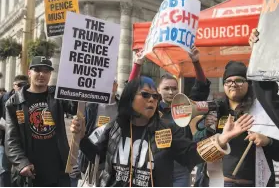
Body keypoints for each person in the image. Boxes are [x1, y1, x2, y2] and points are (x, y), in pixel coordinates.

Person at [71, 76, 254, 187]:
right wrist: (81, 138)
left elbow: (191, 155)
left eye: (155, 96)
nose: (152, 100)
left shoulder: (166, 130)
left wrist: (221, 139)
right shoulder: (113, 127)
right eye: (145, 95)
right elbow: (96, 155)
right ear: (129, 99)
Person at [194, 60, 279, 186]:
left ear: (248, 84)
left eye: (239, 80)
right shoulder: (214, 110)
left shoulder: (262, 111)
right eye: (228, 81)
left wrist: (267, 141)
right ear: (224, 85)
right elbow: (198, 150)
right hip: (219, 183)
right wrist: (207, 130)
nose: (233, 84)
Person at [4, 56, 77, 187]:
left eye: (46, 71)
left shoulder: (57, 96)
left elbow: (76, 107)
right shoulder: (14, 103)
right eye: (37, 70)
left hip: (58, 171)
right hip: (30, 173)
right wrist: (22, 164)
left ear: (50, 74)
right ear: (29, 72)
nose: (41, 74)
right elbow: (11, 140)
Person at [156, 46, 211, 187]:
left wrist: (196, 62)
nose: (170, 92)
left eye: (174, 88)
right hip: (157, 166)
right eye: (166, 88)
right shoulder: (151, 110)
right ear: (158, 90)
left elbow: (201, 87)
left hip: (181, 167)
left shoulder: (185, 107)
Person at [70, 78, 119, 186]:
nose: (109, 86)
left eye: (112, 83)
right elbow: (81, 134)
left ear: (116, 85)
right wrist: (77, 162)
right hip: (90, 161)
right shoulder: (90, 106)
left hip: (112, 162)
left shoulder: (121, 108)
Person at [0, 75, 29, 187]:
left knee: (21, 171)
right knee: (4, 170)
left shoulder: (29, 98)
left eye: (25, 85)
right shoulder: (4, 98)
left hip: (23, 143)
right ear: (14, 85)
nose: (22, 88)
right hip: (4, 140)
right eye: (19, 85)